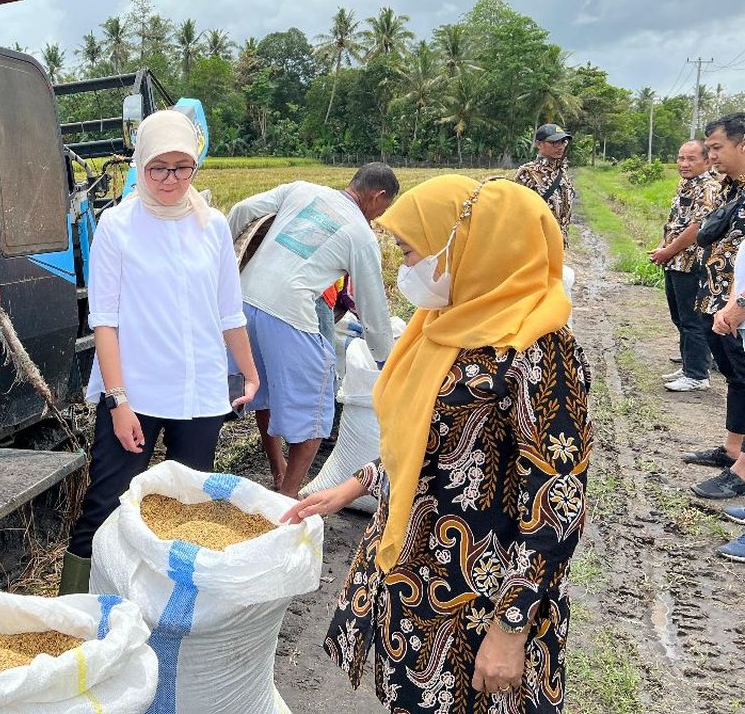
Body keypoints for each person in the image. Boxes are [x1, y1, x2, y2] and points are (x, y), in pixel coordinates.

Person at [284, 175, 590, 713]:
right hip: (417, 569)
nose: (405, 269)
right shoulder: (442, 324)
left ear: (467, 244)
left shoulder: (538, 350)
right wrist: (351, 486)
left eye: (411, 252)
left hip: (484, 594)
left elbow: (557, 505)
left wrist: (511, 629)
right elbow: (430, 441)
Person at [59, 110, 259, 594]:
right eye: (158, 168)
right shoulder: (118, 224)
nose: (170, 179)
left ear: (195, 165)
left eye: (182, 167)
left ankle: (172, 606)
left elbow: (229, 311)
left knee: (190, 504)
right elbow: (104, 321)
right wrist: (118, 400)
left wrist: (249, 374)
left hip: (199, 391)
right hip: (136, 392)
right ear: (140, 165)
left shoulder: (211, 226)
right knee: (107, 500)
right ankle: (73, 610)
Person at [226, 165, 398, 498]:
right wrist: (385, 363)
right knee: (315, 414)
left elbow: (241, 210)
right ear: (377, 197)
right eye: (384, 209)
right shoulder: (360, 235)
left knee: (264, 390)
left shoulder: (302, 189)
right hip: (289, 315)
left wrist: (225, 263)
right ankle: (287, 501)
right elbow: (374, 309)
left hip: (243, 304)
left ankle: (278, 473)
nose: (378, 218)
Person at [684, 113, 745, 501]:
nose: (712, 156)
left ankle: (740, 470)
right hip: (720, 297)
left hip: (737, 304)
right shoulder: (734, 188)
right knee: (737, 377)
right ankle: (732, 448)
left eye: (718, 148)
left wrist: (739, 304)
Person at [651, 140, 721, 392]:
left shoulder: (709, 188)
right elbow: (675, 221)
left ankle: (697, 374)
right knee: (679, 317)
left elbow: (696, 229)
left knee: (693, 320)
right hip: (675, 262)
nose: (684, 164)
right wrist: (663, 247)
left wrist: (668, 250)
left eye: (691, 159)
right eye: (681, 158)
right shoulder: (686, 184)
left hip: (692, 263)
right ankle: (690, 364)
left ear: (706, 160)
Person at [514, 123, 575, 248]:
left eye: (563, 142)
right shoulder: (528, 172)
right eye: (554, 143)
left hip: (559, 243)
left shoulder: (562, 173)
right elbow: (517, 211)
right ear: (539, 144)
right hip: (535, 244)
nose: (560, 147)